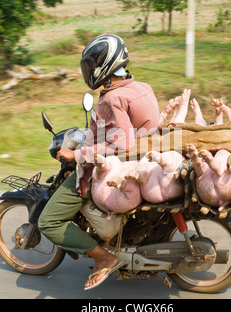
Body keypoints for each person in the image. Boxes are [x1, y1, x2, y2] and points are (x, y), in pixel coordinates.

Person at [38, 34, 160, 290]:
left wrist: (76, 155)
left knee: (48, 222)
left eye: (92, 66)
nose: (90, 72)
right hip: (143, 162)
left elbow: (121, 144)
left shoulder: (111, 99)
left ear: (105, 65)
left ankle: (103, 258)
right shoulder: (141, 87)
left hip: (107, 169)